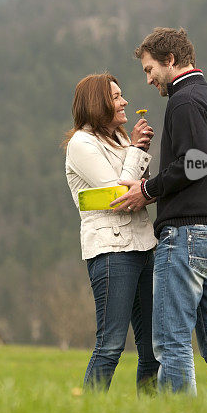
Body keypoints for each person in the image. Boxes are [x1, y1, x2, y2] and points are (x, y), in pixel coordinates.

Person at [111, 27, 207, 399]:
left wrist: (147, 189)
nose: (148, 77)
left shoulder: (184, 101)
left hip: (190, 234)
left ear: (170, 61)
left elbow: (196, 163)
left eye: (149, 68)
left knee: (171, 341)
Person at [63, 71, 159, 393]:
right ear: (98, 103)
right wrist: (134, 149)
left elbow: (139, 187)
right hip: (111, 252)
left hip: (145, 248)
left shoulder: (119, 139)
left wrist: (133, 147)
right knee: (111, 344)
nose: (124, 101)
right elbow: (119, 194)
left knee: (152, 348)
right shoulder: (81, 144)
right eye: (117, 96)